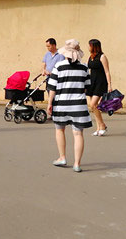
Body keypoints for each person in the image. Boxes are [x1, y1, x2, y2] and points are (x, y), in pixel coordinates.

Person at [46, 39, 91, 172]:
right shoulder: (84, 68)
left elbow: (52, 87)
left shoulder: (58, 66)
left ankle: (62, 157)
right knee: (78, 134)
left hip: (61, 104)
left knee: (60, 129)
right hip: (79, 105)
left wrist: (49, 103)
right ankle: (77, 164)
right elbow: (87, 87)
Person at [85, 39, 112, 136]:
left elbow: (107, 71)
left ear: (94, 46)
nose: (88, 47)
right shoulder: (91, 57)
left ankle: (103, 125)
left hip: (100, 83)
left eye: (90, 45)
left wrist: (109, 84)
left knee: (93, 104)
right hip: (92, 82)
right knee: (94, 107)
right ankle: (98, 128)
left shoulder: (102, 57)